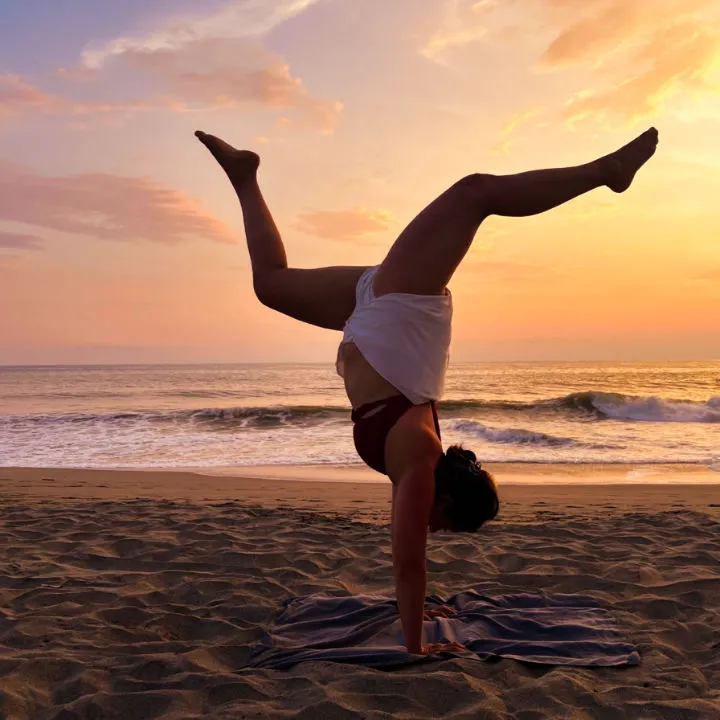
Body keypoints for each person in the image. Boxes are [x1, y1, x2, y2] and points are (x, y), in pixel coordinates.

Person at [195, 127, 659, 655]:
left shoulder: (416, 456)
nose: (433, 531)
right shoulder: (419, 459)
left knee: (270, 284)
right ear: (445, 500)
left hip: (370, 309)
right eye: (445, 524)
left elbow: (410, 565)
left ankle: (245, 177)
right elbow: (409, 563)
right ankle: (606, 173)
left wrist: (417, 610)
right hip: (400, 306)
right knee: (474, 192)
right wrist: (417, 646)